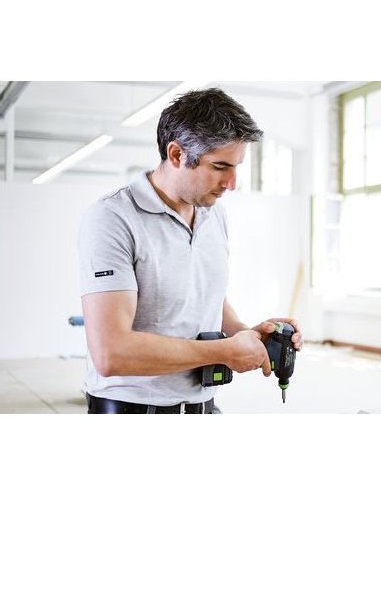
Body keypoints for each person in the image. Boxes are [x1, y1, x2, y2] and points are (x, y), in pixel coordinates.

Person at [78, 87, 303, 414]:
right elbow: (111, 353)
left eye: (236, 167)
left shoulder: (214, 214)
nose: (231, 183)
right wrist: (224, 352)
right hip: (133, 409)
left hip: (202, 405)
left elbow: (208, 298)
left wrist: (246, 334)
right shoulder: (113, 218)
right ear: (176, 155)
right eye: (220, 167)